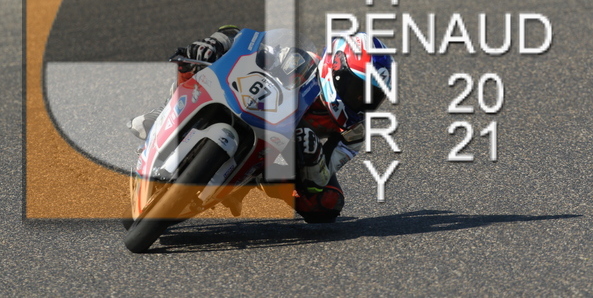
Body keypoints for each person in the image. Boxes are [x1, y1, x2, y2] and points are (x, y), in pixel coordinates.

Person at [128, 25, 394, 223]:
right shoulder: (299, 59)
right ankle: (166, 110)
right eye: (358, 90)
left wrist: (314, 159)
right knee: (201, 57)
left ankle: (243, 181)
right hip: (249, 103)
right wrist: (216, 43)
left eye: (373, 97)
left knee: (328, 203)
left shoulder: (353, 132)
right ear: (336, 69)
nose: (362, 102)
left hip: (283, 160)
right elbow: (241, 38)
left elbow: (321, 179)